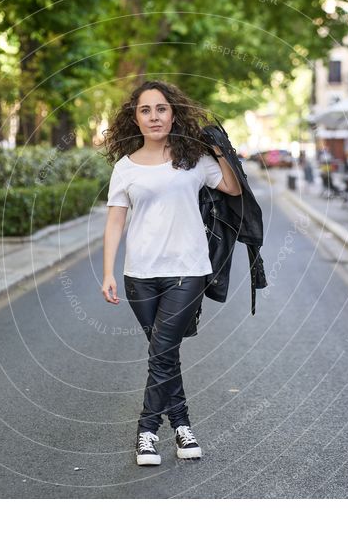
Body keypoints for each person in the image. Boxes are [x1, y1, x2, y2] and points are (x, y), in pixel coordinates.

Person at [101, 80, 241, 466]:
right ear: (135, 118)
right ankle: (181, 426)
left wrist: (220, 151)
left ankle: (147, 432)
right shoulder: (125, 168)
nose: (154, 116)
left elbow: (231, 187)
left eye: (161, 109)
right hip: (139, 274)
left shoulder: (193, 160)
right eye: (145, 110)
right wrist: (108, 272)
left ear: (173, 113)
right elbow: (115, 222)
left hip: (188, 270)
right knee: (165, 353)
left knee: (162, 352)